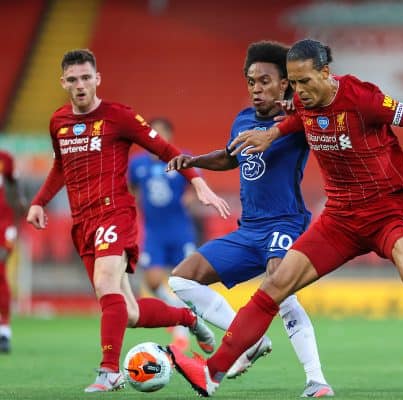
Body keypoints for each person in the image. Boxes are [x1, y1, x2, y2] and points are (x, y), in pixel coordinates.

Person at [166, 38, 403, 397]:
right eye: (294, 82)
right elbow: (294, 122)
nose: (299, 91)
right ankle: (211, 373)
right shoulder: (302, 104)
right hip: (340, 218)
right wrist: (271, 133)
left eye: (305, 81)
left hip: (387, 211)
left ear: (325, 72)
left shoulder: (363, 98)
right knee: (274, 287)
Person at [25, 49, 231, 392]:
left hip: (114, 213)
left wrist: (197, 181)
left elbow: (167, 150)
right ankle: (188, 318)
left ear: (97, 79)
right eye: (73, 80)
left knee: (107, 284)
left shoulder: (118, 116)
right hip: (83, 223)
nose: (80, 85)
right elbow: (61, 167)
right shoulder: (58, 122)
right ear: (63, 82)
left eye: (86, 78)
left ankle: (109, 372)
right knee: (128, 312)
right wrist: (39, 202)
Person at [166, 41, 334, 398]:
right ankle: (248, 343)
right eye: (251, 82)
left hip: (285, 223)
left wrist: (300, 108)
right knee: (181, 281)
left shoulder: (298, 119)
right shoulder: (242, 120)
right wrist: (193, 160)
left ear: (285, 83)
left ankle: (316, 380)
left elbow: (330, 113)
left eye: (265, 81)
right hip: (249, 230)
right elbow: (230, 157)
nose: (256, 89)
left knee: (281, 290)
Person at [129, 117, 202, 351]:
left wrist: (189, 198)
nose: (156, 138)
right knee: (151, 282)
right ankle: (178, 313)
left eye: (161, 133)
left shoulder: (181, 159)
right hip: (154, 232)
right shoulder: (137, 164)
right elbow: (131, 188)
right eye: (152, 133)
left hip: (180, 229)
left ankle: (181, 331)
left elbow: (195, 185)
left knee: (184, 281)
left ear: (169, 136)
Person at [0, 149, 26, 354]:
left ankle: (4, 330)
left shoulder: (5, 159)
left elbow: (14, 185)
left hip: (2, 224)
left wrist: (20, 203)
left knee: (0, 272)